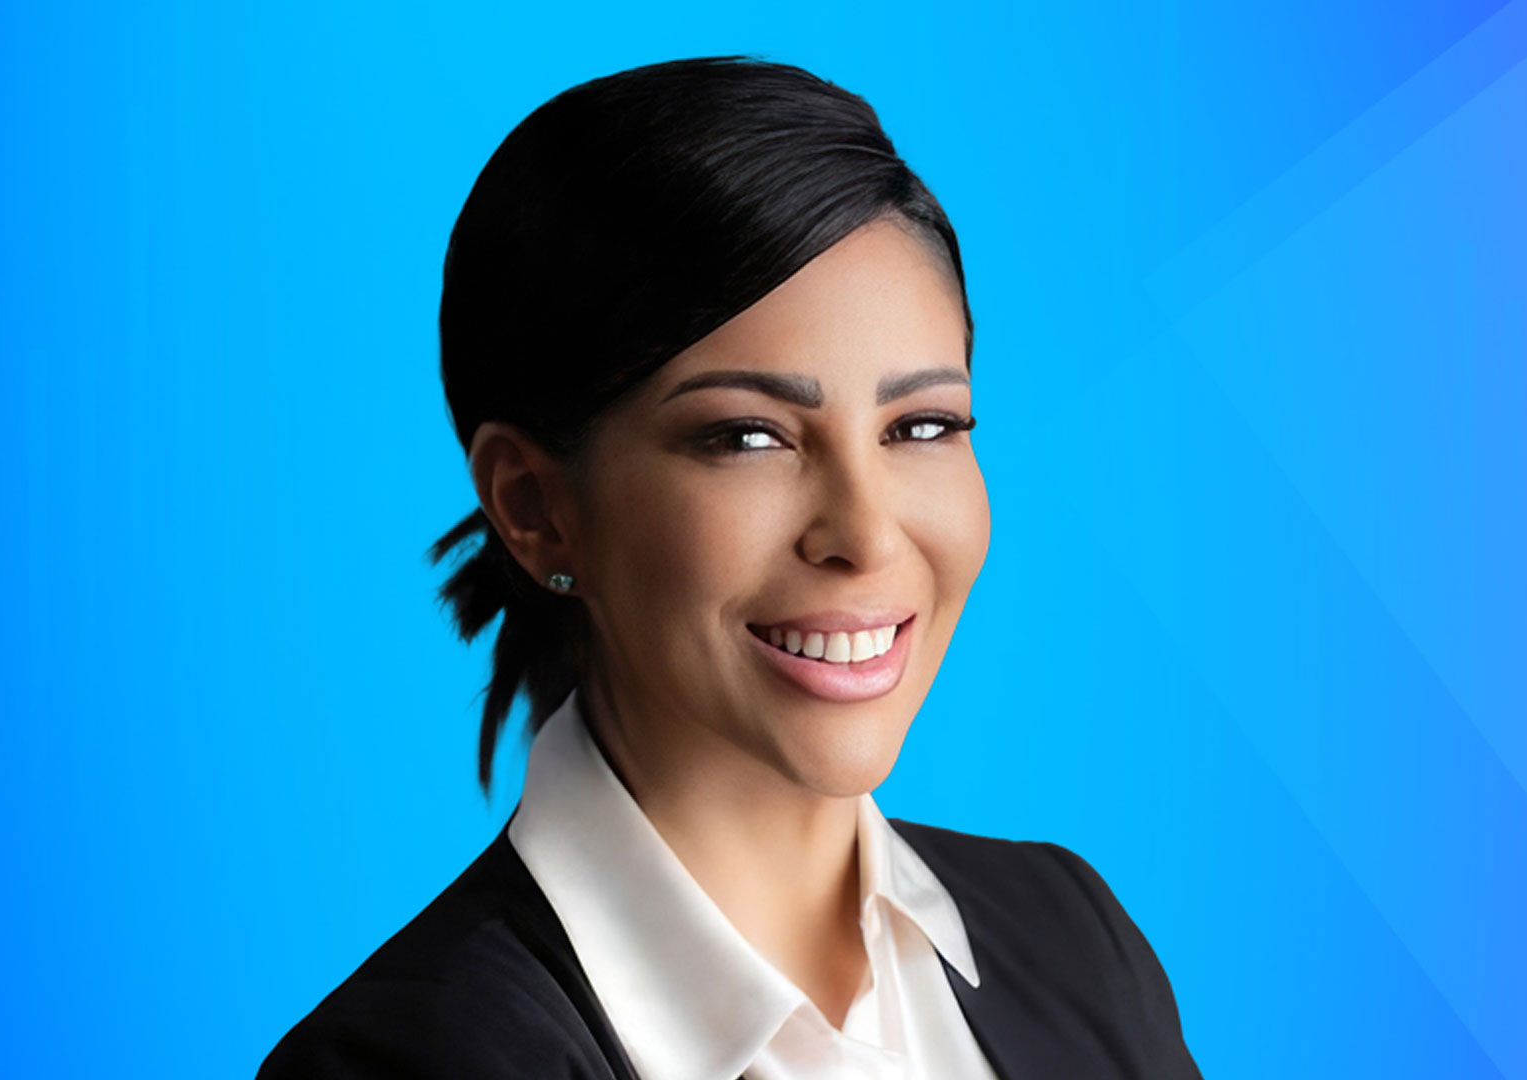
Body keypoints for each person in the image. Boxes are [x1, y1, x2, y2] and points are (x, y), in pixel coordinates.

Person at [257, 54, 1202, 1080]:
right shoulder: (407, 1063)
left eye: (922, 425)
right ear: (536, 509)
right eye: (749, 438)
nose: (867, 535)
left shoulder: (1072, 935)